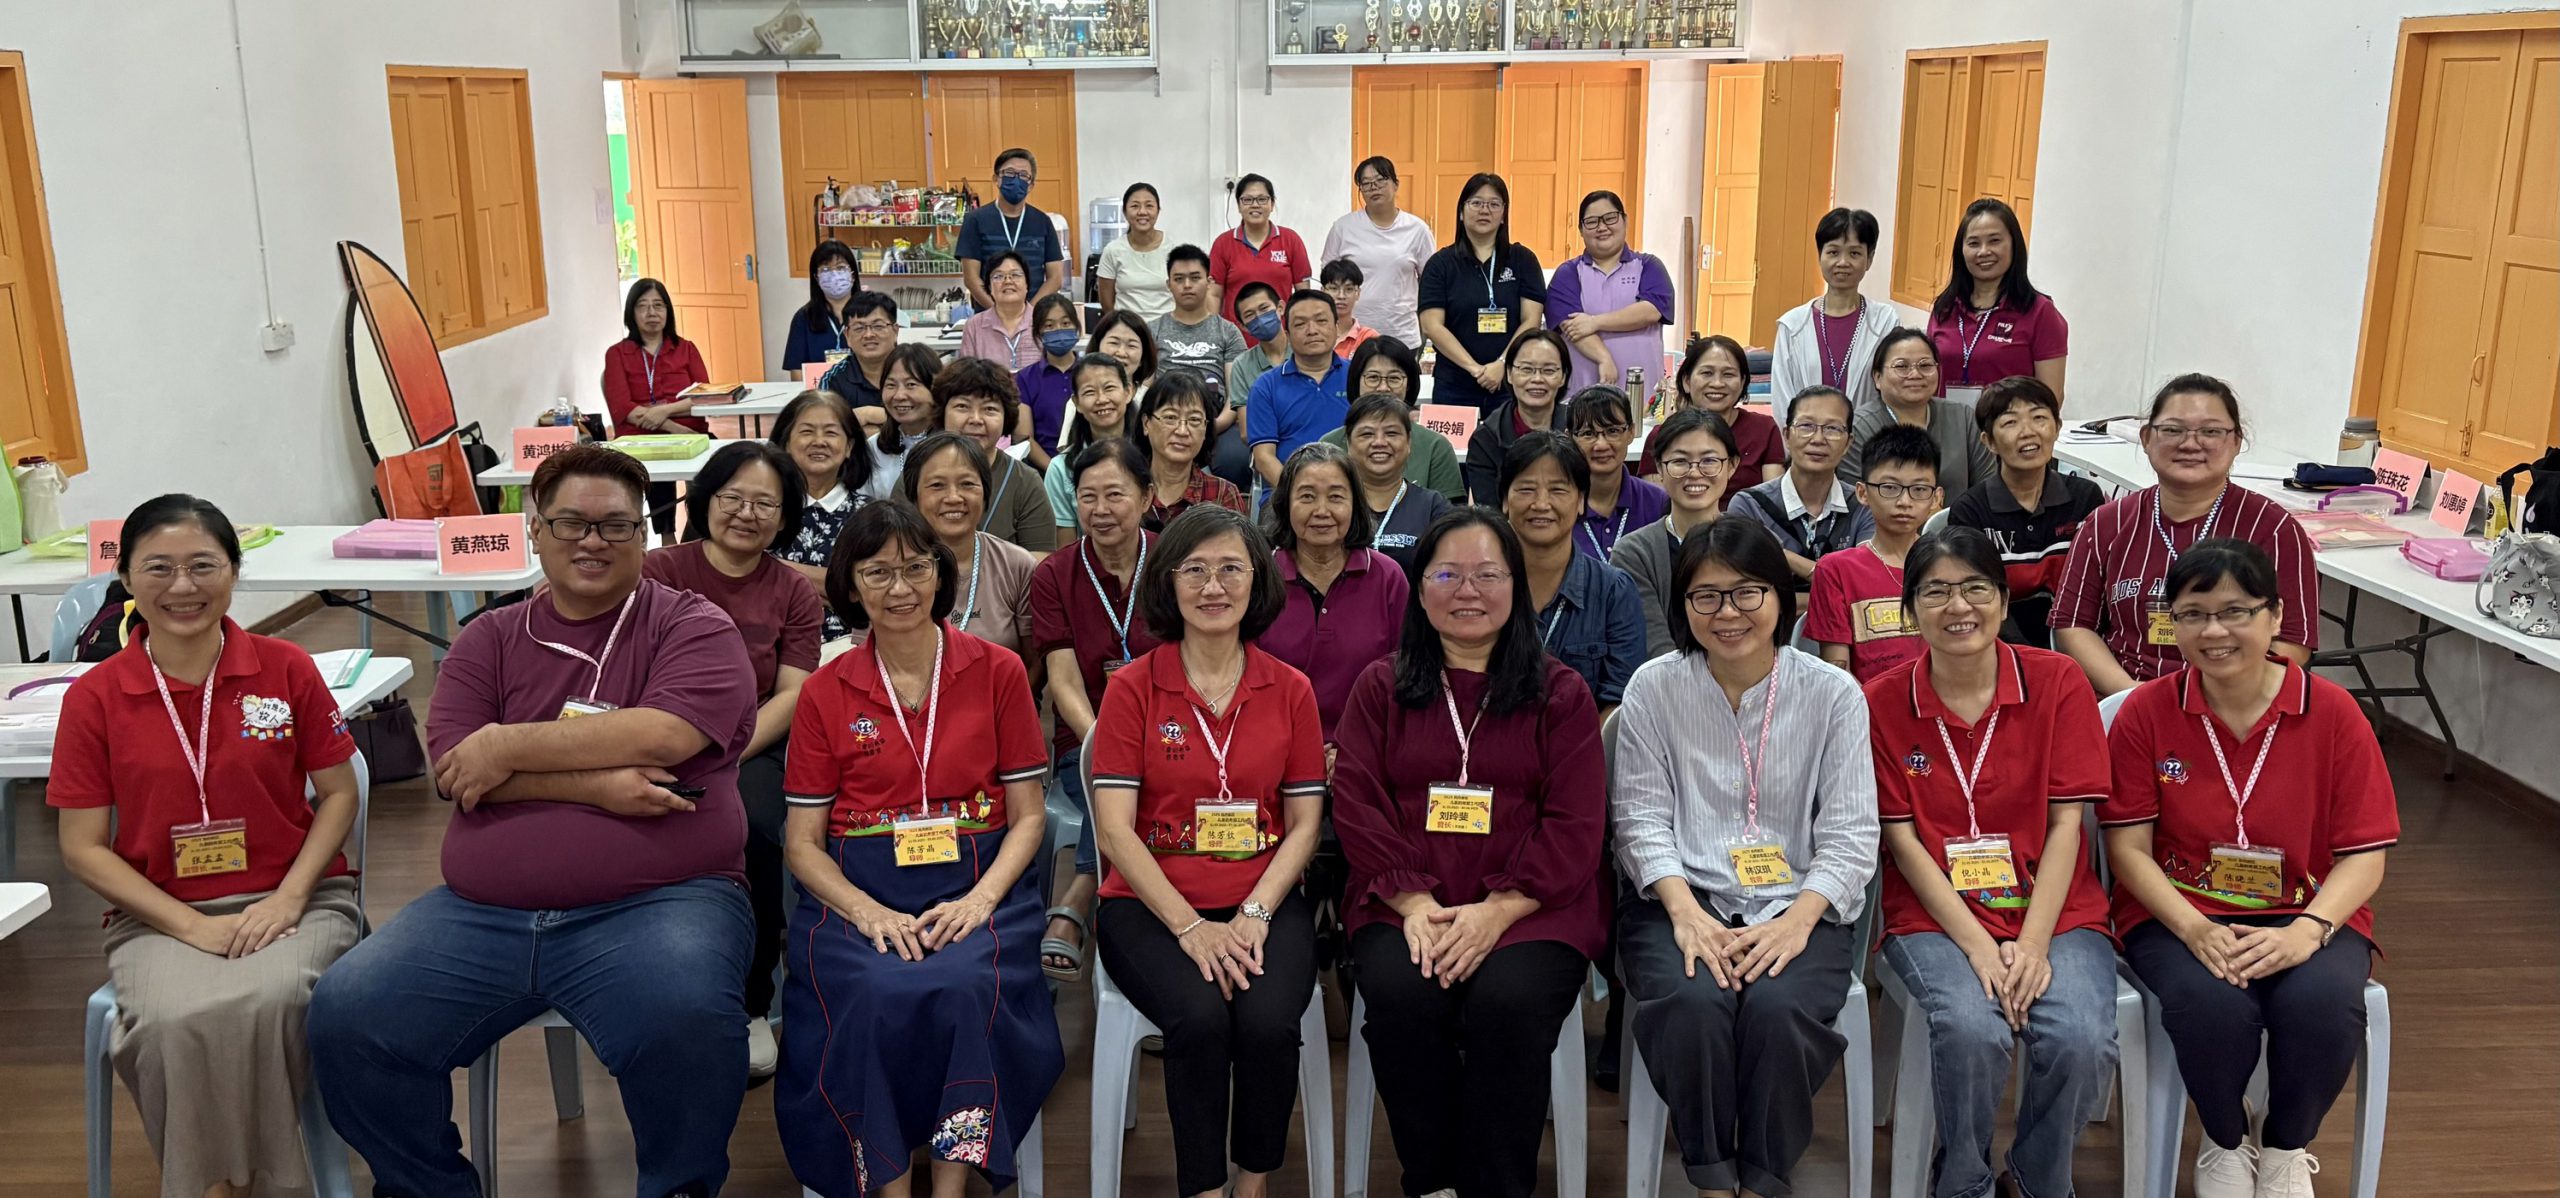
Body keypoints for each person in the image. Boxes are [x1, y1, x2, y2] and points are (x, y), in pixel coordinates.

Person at [309, 446, 759, 1197]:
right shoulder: (489, 638)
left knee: (685, 1020)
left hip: (662, 901)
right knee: (349, 1013)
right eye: (571, 523)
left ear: (644, 534)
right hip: (482, 912)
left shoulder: (693, 626)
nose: (593, 541)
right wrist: (599, 788)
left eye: (616, 526)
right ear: (535, 530)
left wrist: (505, 747)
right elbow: (455, 769)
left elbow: (665, 736)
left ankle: (679, 1187)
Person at [49, 494, 364, 1198]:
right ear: (126, 579)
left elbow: (339, 794)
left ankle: (241, 1181)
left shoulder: (286, 668)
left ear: (234, 571)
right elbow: (82, 847)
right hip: (159, 912)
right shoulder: (95, 697)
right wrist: (192, 926)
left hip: (298, 897)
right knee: (170, 1021)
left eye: (202, 565)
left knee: (271, 999)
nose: (182, 586)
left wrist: (288, 900)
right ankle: (222, 1184)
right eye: (158, 568)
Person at [775, 501, 1061, 1198]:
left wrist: (981, 900)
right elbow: (802, 843)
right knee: (874, 991)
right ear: (850, 587)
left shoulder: (998, 672)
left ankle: (951, 1188)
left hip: (979, 884)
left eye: (915, 568)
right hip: (859, 894)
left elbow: (1029, 818)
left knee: (964, 987)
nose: (899, 588)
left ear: (941, 574)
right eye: (877, 573)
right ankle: (890, 1183)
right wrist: (866, 912)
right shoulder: (824, 690)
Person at [2102, 538, 2395, 1198]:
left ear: (2275, 616)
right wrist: (2194, 928)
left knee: (2323, 1005)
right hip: (2178, 910)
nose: (2214, 632)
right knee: (2212, 1005)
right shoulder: (2147, 712)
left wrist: (2309, 931)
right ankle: (2226, 1138)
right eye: (2193, 614)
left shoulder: (2334, 713)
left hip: (2308, 909)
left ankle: (2287, 1145)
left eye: (2235, 611)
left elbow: (2364, 854)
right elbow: (2127, 849)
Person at [1329, 507, 1606, 1198]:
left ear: (1517, 586)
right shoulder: (1380, 687)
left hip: (1534, 906)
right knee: (1401, 995)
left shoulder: (1561, 693)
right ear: (1419, 588)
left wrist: (1497, 911)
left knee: (1508, 1003)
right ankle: (1432, 1180)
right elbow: (1357, 803)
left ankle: (1492, 1185)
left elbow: (1576, 823)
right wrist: (1414, 903)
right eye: (1447, 575)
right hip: (1402, 899)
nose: (1468, 592)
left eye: (1488, 575)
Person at [1610, 518, 1879, 1198]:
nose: (1727, 613)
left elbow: (1851, 833)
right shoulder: (1654, 688)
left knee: (1778, 1009)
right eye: (1706, 596)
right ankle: (1710, 1175)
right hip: (1679, 896)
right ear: (1683, 606)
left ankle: (1761, 1178)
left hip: (1801, 901)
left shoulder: (1833, 693)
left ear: (1780, 598)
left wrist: (1798, 921)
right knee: (1693, 1004)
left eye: (1747, 592)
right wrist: (1685, 914)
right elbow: (1639, 819)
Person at [1867, 528, 2120, 1198]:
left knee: (2080, 1035)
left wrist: (2032, 944)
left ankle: (2038, 1177)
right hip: (1935, 914)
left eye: (1976, 588)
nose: (1959, 606)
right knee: (1971, 1029)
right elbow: (1902, 841)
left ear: (2004, 602)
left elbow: (2068, 824)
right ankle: (1963, 1182)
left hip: (2055, 908)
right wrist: (1979, 947)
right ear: (1909, 611)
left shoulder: (2058, 681)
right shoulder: (1881, 701)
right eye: (1936, 592)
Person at [1088, 505, 1328, 1198]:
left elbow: (1305, 825)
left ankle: (1251, 1184)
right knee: (1196, 1020)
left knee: (1268, 1023)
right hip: (1148, 906)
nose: (1213, 586)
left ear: (1258, 581)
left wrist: (1255, 913)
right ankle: (1203, 1188)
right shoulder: (1132, 687)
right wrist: (1190, 927)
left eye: (1231, 569)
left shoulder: (1290, 689)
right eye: (1194, 570)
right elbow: (1113, 831)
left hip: (1263, 899)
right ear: (1168, 581)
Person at [643, 442, 823, 1079]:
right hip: (651, 736)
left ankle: (750, 1003)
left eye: (765, 504)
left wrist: (724, 754)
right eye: (733, 498)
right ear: (704, 500)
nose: (747, 514)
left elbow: (793, 693)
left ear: (785, 516)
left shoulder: (793, 590)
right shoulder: (659, 570)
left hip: (749, 746)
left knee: (753, 827)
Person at [2051, 373, 2317, 694]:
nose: (2190, 444)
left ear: (2236, 441)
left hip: (2235, 701)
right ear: (2146, 438)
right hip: (2124, 697)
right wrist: (2134, 696)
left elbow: (2293, 641)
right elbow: (2073, 624)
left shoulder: (2273, 529)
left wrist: (2216, 696)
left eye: (2211, 431)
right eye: (2172, 430)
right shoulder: (2107, 524)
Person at [1027, 439, 1165, 980]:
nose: (1100, 510)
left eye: (1115, 495)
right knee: (1113, 772)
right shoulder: (1055, 574)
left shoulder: (1175, 562)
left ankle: (1082, 891)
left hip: (1172, 734)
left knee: (1148, 773)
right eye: (1087, 497)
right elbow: (1062, 681)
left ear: (1147, 496)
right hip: (1084, 739)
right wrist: (1103, 741)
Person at [1259, 442, 1410, 742]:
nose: (1322, 511)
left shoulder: (1388, 577)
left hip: (1368, 745)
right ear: (1285, 503)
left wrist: (1353, 748)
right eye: (1307, 496)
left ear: (1355, 504)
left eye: (1336, 497)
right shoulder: (1259, 577)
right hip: (1272, 743)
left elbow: (1404, 678)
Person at [1947, 376, 2106, 646]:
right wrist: (2029, 658)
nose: (2028, 432)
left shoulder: (2085, 497)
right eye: (2010, 422)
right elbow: (1976, 599)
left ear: (2057, 428)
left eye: (2039, 418)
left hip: (2077, 640)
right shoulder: (1971, 511)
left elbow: (2094, 590)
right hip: (2000, 646)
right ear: (1989, 441)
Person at [1498, 431, 1646, 711]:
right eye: (1526, 489)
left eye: (1558, 490)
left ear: (1581, 501)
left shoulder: (1613, 591)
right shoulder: (1478, 587)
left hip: (1588, 738)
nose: (1541, 504)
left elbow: (1619, 701)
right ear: (1505, 500)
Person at [1808, 424, 1940, 683]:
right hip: (1866, 704)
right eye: (1889, 487)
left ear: (1936, 498)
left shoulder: (1951, 565)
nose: (1904, 502)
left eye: (1919, 489)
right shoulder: (1836, 570)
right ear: (1862, 493)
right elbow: (1838, 675)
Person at [1613, 407, 1739, 659]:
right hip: (1666, 680)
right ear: (1659, 468)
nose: (1694, 472)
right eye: (1680, 461)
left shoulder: (1753, 543)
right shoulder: (1634, 553)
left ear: (1732, 465)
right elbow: (1654, 646)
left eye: (1709, 461)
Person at [905, 432, 1041, 661]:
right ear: (914, 496)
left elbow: (1034, 662)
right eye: (937, 485)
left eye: (967, 484)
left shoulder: (1017, 565)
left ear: (985, 493)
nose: (954, 498)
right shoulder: (890, 566)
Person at [1419, 173, 1548, 410]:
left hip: (1511, 381)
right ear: (1461, 211)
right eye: (1476, 203)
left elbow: (1531, 320)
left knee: (1511, 436)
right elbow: (1431, 326)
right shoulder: (1440, 264)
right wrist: (1475, 369)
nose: (1484, 210)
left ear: (1503, 214)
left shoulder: (1523, 260)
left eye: (1494, 204)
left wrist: (1502, 364)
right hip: (1454, 384)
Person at [1927, 198, 2066, 405]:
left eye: (1994, 241)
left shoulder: (2040, 312)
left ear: (2014, 245)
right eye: (1974, 243)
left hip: (2007, 425)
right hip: (1947, 424)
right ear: (1961, 250)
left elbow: (2050, 398)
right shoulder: (1945, 308)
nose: (1984, 251)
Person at [1731, 386, 1873, 584]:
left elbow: (1864, 581)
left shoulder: (1863, 505)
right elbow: (1747, 588)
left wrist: (1776, 552)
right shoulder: (1749, 505)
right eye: (1806, 426)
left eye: (1832, 429)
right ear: (1787, 436)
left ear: (1848, 443)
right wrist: (1834, 581)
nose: (1818, 439)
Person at [603, 277, 711, 535]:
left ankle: (699, 532)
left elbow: (703, 396)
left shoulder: (686, 349)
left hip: (692, 435)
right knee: (658, 463)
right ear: (631, 313)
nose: (651, 313)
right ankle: (667, 536)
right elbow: (622, 407)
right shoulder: (617, 353)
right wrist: (673, 427)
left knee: (720, 466)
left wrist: (664, 411)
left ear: (667, 311)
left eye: (658, 305)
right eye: (643, 306)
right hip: (642, 438)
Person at [771, 389, 877, 639]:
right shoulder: (766, 506)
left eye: (830, 432)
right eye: (807, 431)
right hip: (771, 642)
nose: (819, 441)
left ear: (849, 446)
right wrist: (831, 583)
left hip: (847, 645)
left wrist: (772, 568)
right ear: (786, 444)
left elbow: (867, 589)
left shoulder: (869, 515)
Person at [1546, 189, 1675, 394]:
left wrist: (1594, 322)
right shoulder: (1567, 273)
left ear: (1625, 220)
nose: (1602, 227)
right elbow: (1572, 327)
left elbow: (1651, 311)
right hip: (1583, 396)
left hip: (1643, 396)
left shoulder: (1649, 266)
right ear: (1580, 230)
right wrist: (1604, 358)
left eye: (1610, 218)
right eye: (1591, 222)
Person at [1769, 208, 1900, 410]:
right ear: (1820, 255)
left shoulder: (1885, 321)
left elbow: (1893, 390)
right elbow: (1782, 397)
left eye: (1854, 253)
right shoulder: (1793, 325)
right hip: (1804, 430)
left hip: (1869, 430)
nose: (1843, 262)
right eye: (1833, 252)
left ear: (1869, 259)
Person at [932, 356, 1058, 556]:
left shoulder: (1025, 482)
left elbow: (1041, 559)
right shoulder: (918, 474)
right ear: (942, 411)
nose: (975, 419)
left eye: (989, 409)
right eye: (962, 406)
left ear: (1006, 417)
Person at [1842, 328, 1994, 492]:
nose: (1915, 374)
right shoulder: (1858, 427)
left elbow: (1986, 489)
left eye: (1925, 365)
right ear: (1877, 377)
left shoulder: (1963, 418)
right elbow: (1855, 497)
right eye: (1902, 366)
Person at [1318, 336, 1465, 503]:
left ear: (1409, 385)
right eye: (1373, 378)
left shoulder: (1435, 446)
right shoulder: (1330, 444)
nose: (1383, 388)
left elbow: (1450, 515)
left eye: (1394, 379)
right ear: (1356, 382)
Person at [1646, 334, 1783, 510]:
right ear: (1686, 381)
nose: (1717, 383)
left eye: (1728, 374)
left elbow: (1772, 505)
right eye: (1707, 373)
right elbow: (1656, 506)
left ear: (1743, 382)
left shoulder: (1764, 429)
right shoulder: (1662, 435)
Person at [1320, 155, 1435, 348]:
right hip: (1350, 335)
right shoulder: (1343, 227)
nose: (1373, 188)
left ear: (1396, 184)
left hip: (1401, 333)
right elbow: (1327, 277)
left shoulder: (1417, 230)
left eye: (1380, 180)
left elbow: (1431, 280)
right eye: (1366, 184)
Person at [1245, 289, 1351, 490]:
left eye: (1321, 321)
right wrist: (1299, 493)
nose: (1312, 330)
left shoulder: (1358, 376)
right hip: (1285, 492)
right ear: (1287, 335)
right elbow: (1264, 457)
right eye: (1300, 324)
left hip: (1350, 491)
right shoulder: (1266, 386)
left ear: (1337, 328)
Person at [1334, 393, 1455, 569]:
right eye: (1367, 434)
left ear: (1409, 442)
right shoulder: (1332, 503)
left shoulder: (1432, 507)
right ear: (1348, 443)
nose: (1379, 442)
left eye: (1391, 433)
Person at [1461, 329, 1572, 506]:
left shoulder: (1578, 428)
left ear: (1563, 377)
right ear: (1509, 374)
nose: (1537, 379)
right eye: (1527, 369)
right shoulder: (1486, 438)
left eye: (1549, 370)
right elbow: (1489, 511)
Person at [1137, 369, 1249, 531]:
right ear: (1146, 423)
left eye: (1194, 419)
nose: (1182, 431)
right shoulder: (1128, 488)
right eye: (1170, 417)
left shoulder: (1222, 494)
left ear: (1206, 428)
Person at [1566, 384, 1668, 559]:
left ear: (1631, 432)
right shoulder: (1559, 503)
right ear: (1569, 437)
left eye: (1612, 431)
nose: (1601, 445)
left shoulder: (1657, 502)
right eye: (1588, 433)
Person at [957, 147, 1065, 308]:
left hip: (1032, 318)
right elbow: (971, 279)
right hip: (989, 316)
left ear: (1031, 185)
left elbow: (1055, 278)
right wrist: (997, 312)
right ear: (996, 179)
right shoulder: (975, 220)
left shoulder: (1043, 222)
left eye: (1023, 175)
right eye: (1009, 173)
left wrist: (1029, 314)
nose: (1016, 179)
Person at [1045, 354, 1139, 538]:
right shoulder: (1060, 468)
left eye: (1109, 388)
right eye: (1089, 392)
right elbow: (1066, 547)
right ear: (1077, 403)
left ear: (1128, 392)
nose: (1101, 399)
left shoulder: (1152, 454)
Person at [1209, 173, 1313, 334]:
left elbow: (1303, 294)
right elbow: (1214, 295)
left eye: (1262, 199)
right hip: (1236, 338)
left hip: (1282, 337)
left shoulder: (1290, 240)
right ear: (1239, 206)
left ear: (1272, 204)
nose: (1255, 205)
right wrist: (1213, 334)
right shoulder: (1223, 243)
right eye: (1247, 200)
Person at [1153, 244, 1249, 384]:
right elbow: (1143, 388)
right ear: (1169, 285)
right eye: (1179, 279)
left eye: (1195, 278)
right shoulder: (1153, 330)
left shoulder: (1228, 332)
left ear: (1209, 282)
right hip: (1164, 398)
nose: (1187, 285)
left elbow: (1236, 392)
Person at [1013, 292, 1086, 470]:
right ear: (1038, 333)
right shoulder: (1025, 378)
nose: (1058, 330)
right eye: (1049, 325)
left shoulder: (1092, 371)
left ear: (1077, 326)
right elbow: (1024, 437)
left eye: (1066, 323)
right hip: (1045, 471)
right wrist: (1056, 471)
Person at [862, 343, 944, 502]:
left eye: (911, 385)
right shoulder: (873, 449)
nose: (899, 395)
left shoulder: (954, 446)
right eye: (891, 385)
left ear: (935, 389)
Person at [781, 240, 864, 375]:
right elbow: (797, 370)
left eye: (840, 267)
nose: (834, 275)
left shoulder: (869, 312)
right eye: (825, 269)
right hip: (819, 388)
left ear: (853, 275)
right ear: (816, 278)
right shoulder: (804, 317)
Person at [814, 290, 901, 416]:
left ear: (895, 331)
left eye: (878, 326)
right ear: (847, 336)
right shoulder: (834, 379)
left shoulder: (916, 368)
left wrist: (867, 415)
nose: (869, 335)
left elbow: (928, 417)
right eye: (859, 328)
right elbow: (828, 423)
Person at [1098, 181, 1174, 319]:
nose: (1142, 212)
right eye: (1135, 206)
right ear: (1125, 212)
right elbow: (1107, 303)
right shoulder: (1113, 250)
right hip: (1127, 327)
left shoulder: (1173, 250)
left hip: (1167, 327)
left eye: (1149, 206)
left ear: (1158, 211)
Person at [958, 250, 1042, 371]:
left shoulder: (1042, 320)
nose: (1008, 281)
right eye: (998, 276)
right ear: (989, 288)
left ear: (1027, 285)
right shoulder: (974, 326)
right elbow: (966, 375)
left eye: (1015, 275)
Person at [1322, 257, 1379, 358]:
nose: (1341, 296)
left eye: (1349, 289)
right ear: (1323, 291)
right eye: (1334, 288)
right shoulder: (1314, 334)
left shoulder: (1368, 338)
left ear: (1358, 293)